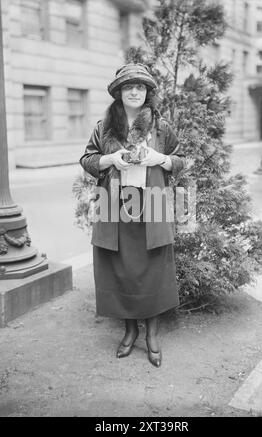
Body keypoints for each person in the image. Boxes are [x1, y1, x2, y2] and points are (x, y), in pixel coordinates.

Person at [79, 63, 186, 367]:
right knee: (120, 269)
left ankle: (151, 334)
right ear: (119, 93)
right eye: (129, 87)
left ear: (147, 92)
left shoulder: (162, 127)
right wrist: (110, 158)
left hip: (151, 204)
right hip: (114, 206)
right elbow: (87, 158)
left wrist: (160, 159)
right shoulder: (105, 127)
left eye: (140, 87)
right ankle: (129, 332)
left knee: (152, 268)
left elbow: (180, 160)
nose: (135, 91)